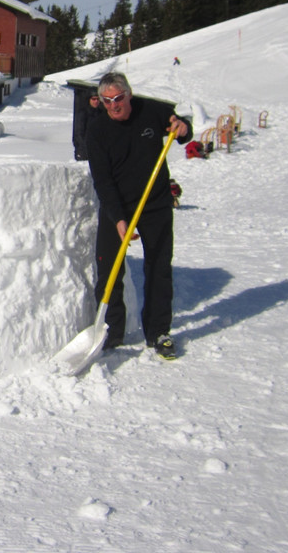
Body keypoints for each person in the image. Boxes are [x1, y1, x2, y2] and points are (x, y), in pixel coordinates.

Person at [86, 72, 192, 360]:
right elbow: (103, 180)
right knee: (109, 270)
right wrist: (118, 218)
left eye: (118, 99)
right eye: (107, 101)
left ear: (129, 95)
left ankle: (158, 332)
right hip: (117, 207)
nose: (113, 106)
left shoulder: (151, 111)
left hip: (155, 205)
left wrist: (182, 128)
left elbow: (181, 126)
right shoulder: (97, 130)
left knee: (158, 268)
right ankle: (111, 330)